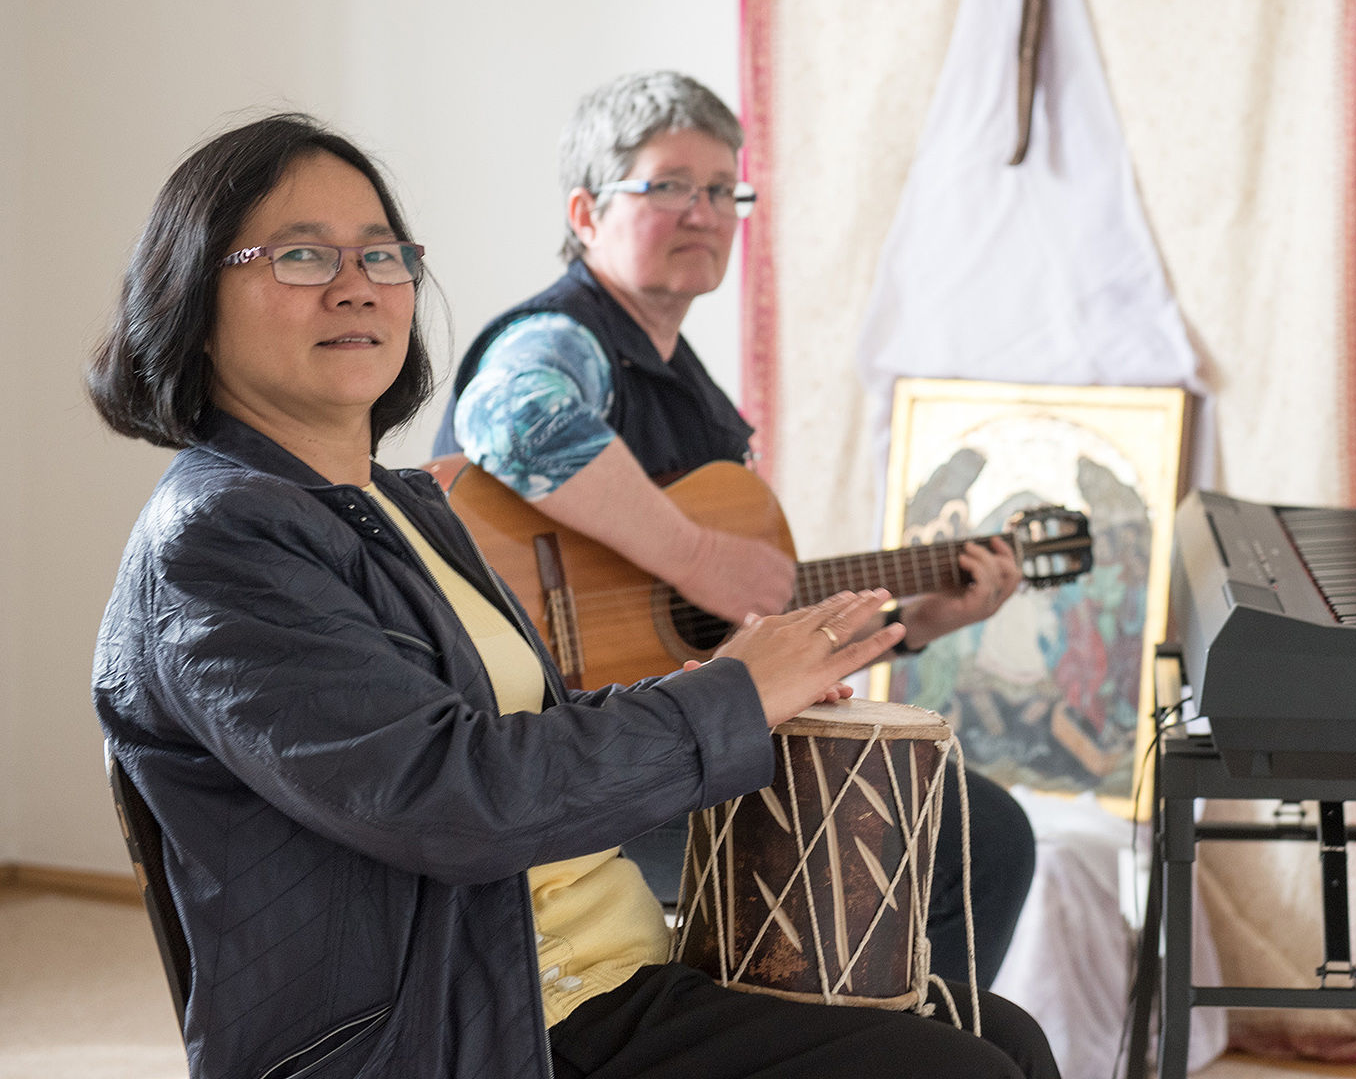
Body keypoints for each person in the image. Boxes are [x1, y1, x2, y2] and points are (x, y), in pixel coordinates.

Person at [89, 113, 1059, 1079]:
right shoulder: (218, 542)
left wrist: (740, 675)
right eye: (301, 254)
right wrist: (724, 696)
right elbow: (451, 795)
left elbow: (515, 724)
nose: (356, 283)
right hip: (479, 1017)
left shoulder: (402, 506)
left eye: (382, 254)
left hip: (587, 966)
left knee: (1001, 1033)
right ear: (191, 294)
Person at [433, 70, 1038, 986]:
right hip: (555, 759)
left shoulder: (687, 385)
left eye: (724, 190)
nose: (705, 211)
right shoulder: (561, 336)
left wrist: (923, 621)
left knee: (964, 818)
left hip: (652, 733)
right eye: (669, 185)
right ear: (587, 211)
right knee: (968, 833)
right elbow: (515, 419)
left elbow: (722, 627)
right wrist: (699, 553)